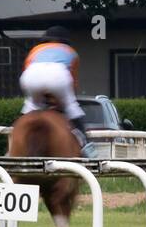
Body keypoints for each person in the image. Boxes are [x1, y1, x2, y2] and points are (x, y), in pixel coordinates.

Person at [20, 26, 94, 157]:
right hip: (58, 76)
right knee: (72, 107)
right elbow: (73, 83)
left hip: (32, 76)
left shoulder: (35, 50)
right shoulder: (71, 52)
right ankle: (87, 148)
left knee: (28, 109)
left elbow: (26, 70)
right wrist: (63, 102)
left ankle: (12, 145)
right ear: (65, 41)